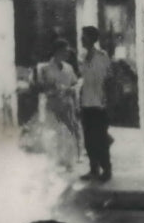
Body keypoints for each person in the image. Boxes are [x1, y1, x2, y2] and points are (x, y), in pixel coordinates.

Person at [37, 39, 80, 170]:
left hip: (67, 104)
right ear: (56, 51)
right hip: (52, 105)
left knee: (68, 133)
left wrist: (73, 90)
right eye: (64, 51)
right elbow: (41, 87)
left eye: (67, 52)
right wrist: (54, 89)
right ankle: (54, 161)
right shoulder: (44, 68)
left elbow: (75, 83)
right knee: (53, 133)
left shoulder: (69, 68)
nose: (66, 54)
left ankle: (68, 162)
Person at [78, 26, 113, 182]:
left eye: (84, 37)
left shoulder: (102, 56)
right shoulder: (83, 57)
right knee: (89, 140)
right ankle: (93, 169)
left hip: (99, 104)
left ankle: (106, 169)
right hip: (86, 103)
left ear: (92, 39)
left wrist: (108, 100)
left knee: (101, 139)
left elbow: (109, 79)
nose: (81, 39)